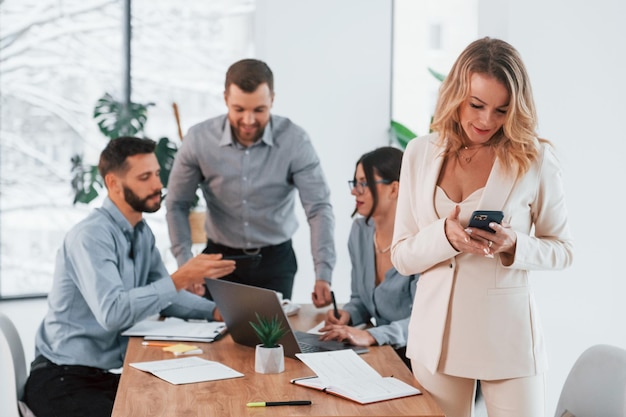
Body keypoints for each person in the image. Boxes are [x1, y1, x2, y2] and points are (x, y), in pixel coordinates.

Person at [391, 37, 574, 417]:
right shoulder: (420, 153)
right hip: (435, 339)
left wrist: (514, 245)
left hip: (506, 341)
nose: (486, 121)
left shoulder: (534, 158)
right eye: (476, 105)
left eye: (501, 110)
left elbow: (563, 250)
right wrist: (445, 235)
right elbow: (402, 256)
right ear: (456, 93)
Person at [23, 137, 236, 417]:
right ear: (113, 183)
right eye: (144, 177)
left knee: (184, 403)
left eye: (157, 174)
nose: (157, 185)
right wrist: (180, 277)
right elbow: (113, 312)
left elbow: (167, 298)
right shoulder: (91, 237)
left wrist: (217, 311)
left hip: (99, 376)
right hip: (62, 379)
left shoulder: (140, 232)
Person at [165, 58, 335, 306]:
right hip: (219, 260)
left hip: (275, 261)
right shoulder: (199, 140)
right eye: (239, 109)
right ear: (225, 99)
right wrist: (185, 265)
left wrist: (324, 274)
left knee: (271, 341)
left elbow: (318, 208)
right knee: (213, 340)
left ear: (272, 100)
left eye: (259, 110)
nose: (248, 120)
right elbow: (177, 203)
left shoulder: (295, 141)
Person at [318, 147, 417, 368]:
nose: (355, 192)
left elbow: (428, 321)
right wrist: (348, 315)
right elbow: (361, 299)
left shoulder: (420, 242)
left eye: (364, 183)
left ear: (394, 189)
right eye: (355, 183)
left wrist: (372, 336)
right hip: (384, 353)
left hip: (418, 358)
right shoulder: (360, 231)